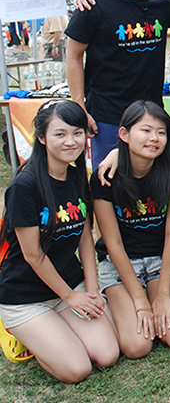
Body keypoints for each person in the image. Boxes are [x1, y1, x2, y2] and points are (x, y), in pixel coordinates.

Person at [0, 101, 119, 382]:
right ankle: (27, 335)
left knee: (107, 355)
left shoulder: (77, 176)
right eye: (60, 134)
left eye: (77, 133)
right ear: (41, 138)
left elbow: (85, 239)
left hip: (70, 284)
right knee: (77, 369)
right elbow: (33, 255)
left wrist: (91, 291)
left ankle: (56, 330)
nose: (71, 141)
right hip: (26, 297)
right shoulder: (25, 186)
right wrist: (70, 297)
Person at [92, 101, 170, 359]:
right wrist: (139, 299)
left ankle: (145, 300)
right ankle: (114, 305)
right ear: (124, 135)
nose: (154, 138)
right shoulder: (105, 176)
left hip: (160, 261)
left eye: (161, 132)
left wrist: (162, 294)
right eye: (146, 130)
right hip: (120, 264)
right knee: (137, 347)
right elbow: (112, 242)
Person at [65, 0, 170, 168]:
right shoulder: (95, 2)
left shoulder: (164, 2)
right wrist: (79, 105)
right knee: (108, 182)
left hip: (151, 114)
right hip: (107, 115)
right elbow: (73, 56)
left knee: (149, 185)